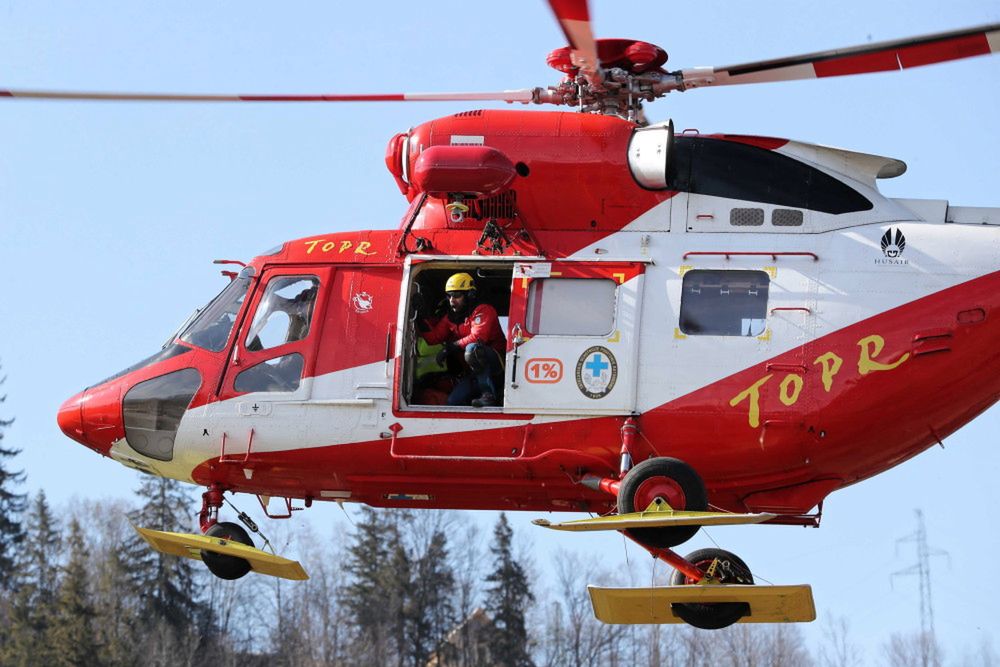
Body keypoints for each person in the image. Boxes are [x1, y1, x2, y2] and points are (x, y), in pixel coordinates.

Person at [421, 272, 506, 407]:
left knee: (473, 348)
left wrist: (450, 348)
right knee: (453, 402)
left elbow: (478, 337)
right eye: (449, 296)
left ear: (470, 295)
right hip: (474, 371)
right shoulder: (451, 317)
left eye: (456, 295)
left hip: (498, 365)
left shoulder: (483, 310)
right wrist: (420, 319)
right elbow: (434, 338)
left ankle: (488, 395)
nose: (451, 300)